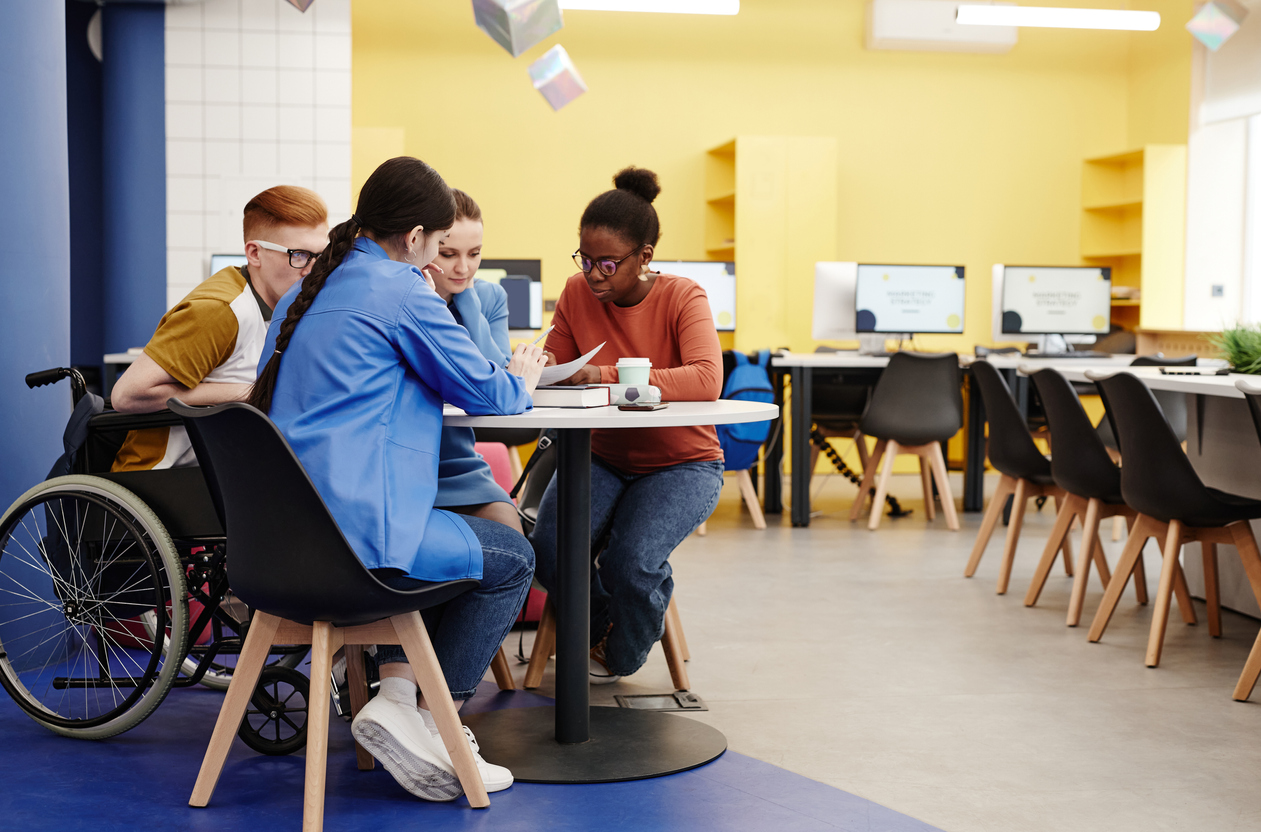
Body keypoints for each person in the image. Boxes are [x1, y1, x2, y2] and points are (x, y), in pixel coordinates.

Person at [249, 156, 546, 802]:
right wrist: (522, 378)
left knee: (457, 533)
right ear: (413, 238)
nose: (442, 263)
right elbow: (487, 390)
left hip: (275, 550)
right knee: (510, 556)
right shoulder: (401, 289)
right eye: (439, 248)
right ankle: (435, 724)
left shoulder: (305, 291)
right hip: (359, 548)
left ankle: (400, 699)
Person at [531, 166, 725, 684]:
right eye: (586, 259)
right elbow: (559, 365)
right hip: (603, 457)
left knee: (633, 563)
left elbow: (706, 379)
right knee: (548, 552)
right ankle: (605, 628)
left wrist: (605, 375)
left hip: (683, 464)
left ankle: (622, 652)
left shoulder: (684, 297)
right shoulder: (577, 293)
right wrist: (530, 366)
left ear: (645, 257)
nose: (594, 274)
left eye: (608, 263)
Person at [110, 185, 328, 470]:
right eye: (299, 254)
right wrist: (248, 394)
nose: (312, 269)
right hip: (163, 477)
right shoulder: (221, 310)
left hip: (218, 470)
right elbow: (126, 395)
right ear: (255, 253)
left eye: (321, 256)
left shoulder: (282, 306)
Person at [430, 190, 523, 532]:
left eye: (474, 254)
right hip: (414, 457)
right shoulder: (407, 295)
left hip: (459, 461)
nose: (463, 267)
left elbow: (496, 379)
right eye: (448, 254)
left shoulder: (489, 296)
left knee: (516, 541)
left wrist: (467, 297)